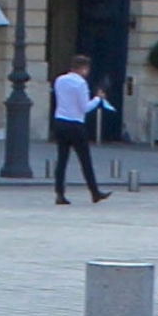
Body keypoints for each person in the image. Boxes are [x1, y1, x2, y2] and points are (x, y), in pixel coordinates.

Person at [49, 55, 108, 206]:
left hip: (60, 121)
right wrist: (98, 99)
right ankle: (94, 192)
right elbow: (85, 107)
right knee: (85, 160)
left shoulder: (60, 80)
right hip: (76, 124)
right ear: (83, 68)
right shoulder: (80, 83)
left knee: (62, 159)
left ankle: (59, 193)